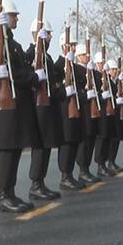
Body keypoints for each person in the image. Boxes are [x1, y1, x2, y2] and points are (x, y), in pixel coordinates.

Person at [0, 0, 42, 212]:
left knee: (15, 149)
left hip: (18, 104)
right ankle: (4, 195)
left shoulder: (13, 43)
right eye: (13, 15)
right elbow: (14, 72)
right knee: (7, 150)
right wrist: (33, 78)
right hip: (7, 103)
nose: (17, 18)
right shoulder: (1, 42)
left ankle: (10, 192)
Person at [25, 19, 64, 200]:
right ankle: (36, 184)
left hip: (49, 106)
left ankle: (41, 182)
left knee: (46, 145)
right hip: (38, 107)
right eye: (48, 34)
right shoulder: (32, 53)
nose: (50, 38)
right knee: (40, 146)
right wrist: (36, 51)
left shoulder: (47, 56)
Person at [54, 31, 87, 190]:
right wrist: (64, 91)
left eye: (74, 45)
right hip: (64, 109)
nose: (73, 48)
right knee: (66, 142)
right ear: (63, 46)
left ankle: (70, 174)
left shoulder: (77, 69)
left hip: (77, 108)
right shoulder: (58, 66)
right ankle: (64, 175)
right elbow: (54, 88)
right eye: (70, 45)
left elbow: (84, 87)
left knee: (74, 141)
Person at [75, 43, 103, 184]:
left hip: (92, 108)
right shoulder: (76, 69)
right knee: (85, 140)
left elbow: (99, 85)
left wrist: (93, 74)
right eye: (85, 54)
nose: (87, 57)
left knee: (91, 138)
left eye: (88, 54)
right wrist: (86, 93)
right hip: (83, 109)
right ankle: (82, 169)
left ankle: (87, 168)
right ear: (78, 56)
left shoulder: (90, 71)